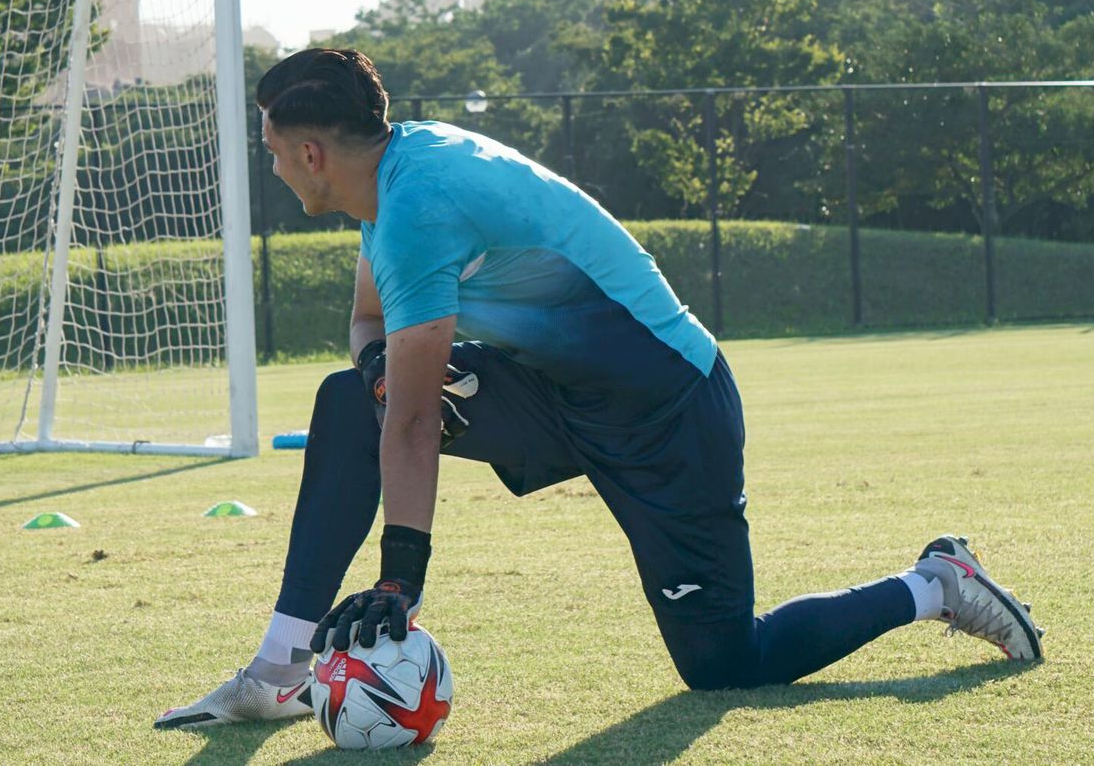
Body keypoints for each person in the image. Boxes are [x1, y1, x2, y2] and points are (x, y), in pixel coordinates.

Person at [156, 48, 1042, 730]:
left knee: (727, 662)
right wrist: (375, 368)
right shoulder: (388, 184)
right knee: (350, 399)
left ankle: (936, 581)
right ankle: (281, 670)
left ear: (311, 152)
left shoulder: (419, 203)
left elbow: (419, 419)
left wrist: (400, 580)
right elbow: (370, 334)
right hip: (555, 394)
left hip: (669, 410)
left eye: (273, 153)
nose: (272, 170)